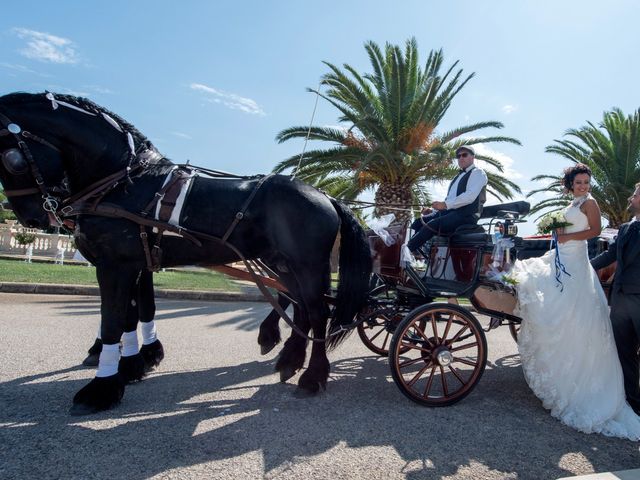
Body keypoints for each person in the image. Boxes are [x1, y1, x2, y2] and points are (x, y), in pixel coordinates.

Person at [511, 164, 640, 440]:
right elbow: (599, 245)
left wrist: (567, 236)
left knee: (569, 311)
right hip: (572, 260)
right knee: (559, 304)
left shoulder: (590, 203)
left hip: (591, 267)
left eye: (586, 182)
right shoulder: (577, 203)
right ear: (570, 184)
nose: (583, 186)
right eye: (579, 182)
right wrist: (568, 245)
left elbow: (594, 231)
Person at [591, 182, 640, 416]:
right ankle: (633, 403)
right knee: (624, 352)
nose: (631, 198)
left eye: (635, 195)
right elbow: (611, 255)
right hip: (620, 300)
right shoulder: (625, 228)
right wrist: (585, 267)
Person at [407, 145, 487, 255]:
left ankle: (405, 252)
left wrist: (444, 205)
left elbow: (469, 197)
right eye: (458, 156)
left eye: (464, 155)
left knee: (432, 224)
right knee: (418, 222)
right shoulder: (457, 177)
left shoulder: (478, 173)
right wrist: (433, 211)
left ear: (473, 157)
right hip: (452, 213)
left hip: (467, 215)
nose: (461, 158)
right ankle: (416, 255)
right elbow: (449, 201)